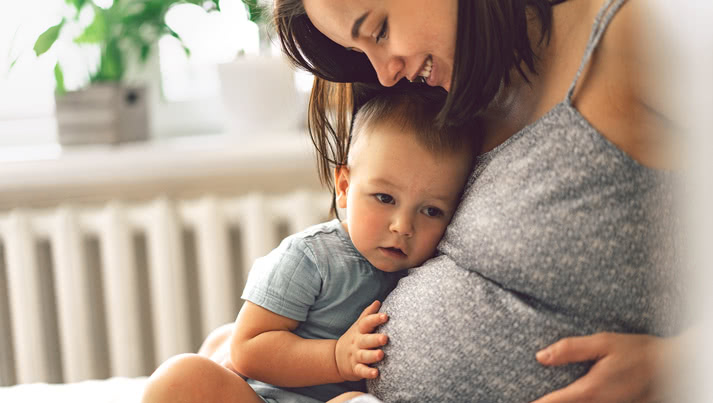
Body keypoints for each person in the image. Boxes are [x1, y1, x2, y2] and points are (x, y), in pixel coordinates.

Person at [270, 0, 689, 402]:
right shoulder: (443, 103)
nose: (384, 74)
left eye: (379, 30)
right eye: (357, 50)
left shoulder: (632, 36)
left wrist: (677, 365)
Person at [141, 86, 480, 403]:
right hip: (262, 397)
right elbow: (247, 347)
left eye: (431, 211)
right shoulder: (311, 257)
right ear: (344, 186)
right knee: (180, 376)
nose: (403, 226)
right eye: (384, 197)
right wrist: (336, 357)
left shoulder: (433, 270)